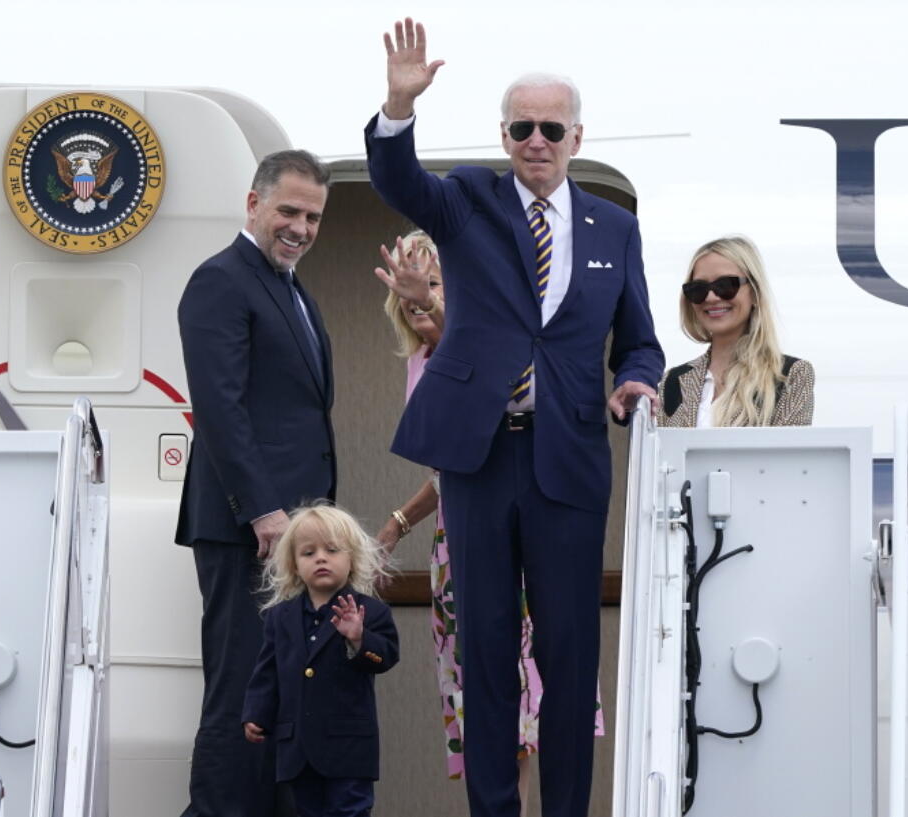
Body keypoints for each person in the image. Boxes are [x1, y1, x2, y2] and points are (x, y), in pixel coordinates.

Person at [365, 19, 664, 817]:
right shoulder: (469, 199)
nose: (537, 141)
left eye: (551, 128)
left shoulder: (616, 228)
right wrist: (398, 107)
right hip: (480, 458)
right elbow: (400, 183)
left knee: (570, 657)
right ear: (504, 134)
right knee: (487, 654)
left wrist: (636, 384)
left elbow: (640, 342)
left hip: (568, 458)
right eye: (522, 127)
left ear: (576, 135)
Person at [373, 233, 606, 817]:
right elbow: (454, 463)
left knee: (530, 705)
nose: (419, 299)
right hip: (459, 550)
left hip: (523, 545)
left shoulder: (503, 344)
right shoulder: (421, 365)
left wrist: (450, 318)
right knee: (481, 704)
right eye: (410, 291)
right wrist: (400, 521)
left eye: (433, 283)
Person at [175, 149, 336, 817]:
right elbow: (220, 407)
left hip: (293, 533)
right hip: (252, 531)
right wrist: (265, 512)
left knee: (278, 693)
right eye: (288, 210)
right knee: (241, 689)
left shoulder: (293, 288)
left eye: (313, 216)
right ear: (253, 204)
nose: (300, 226)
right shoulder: (221, 280)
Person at [243, 504, 398, 817]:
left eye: (332, 550)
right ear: (294, 564)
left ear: (351, 558)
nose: (321, 558)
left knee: (349, 810)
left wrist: (358, 637)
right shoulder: (279, 618)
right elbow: (267, 671)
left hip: (349, 748)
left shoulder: (371, 612)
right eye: (308, 552)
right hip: (297, 748)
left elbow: (386, 656)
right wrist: (256, 712)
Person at [656, 235, 814, 427]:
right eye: (698, 289)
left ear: (755, 293)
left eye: (726, 285)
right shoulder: (672, 382)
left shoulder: (790, 375)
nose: (712, 297)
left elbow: (790, 454)